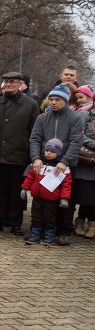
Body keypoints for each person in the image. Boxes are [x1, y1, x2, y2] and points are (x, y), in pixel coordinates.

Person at [0, 71, 39, 236]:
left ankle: (15, 222)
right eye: (5, 81)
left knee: (17, 191)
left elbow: (35, 130)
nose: (8, 84)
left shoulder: (30, 105)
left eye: (12, 81)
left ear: (20, 84)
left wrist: (28, 150)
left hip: (19, 155)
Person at [29, 85, 85, 245]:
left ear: (65, 101)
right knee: (43, 199)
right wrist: (35, 158)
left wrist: (64, 161)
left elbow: (76, 141)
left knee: (65, 198)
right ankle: (41, 229)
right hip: (44, 164)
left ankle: (64, 230)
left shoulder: (75, 118)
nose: (53, 102)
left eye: (57, 99)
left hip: (65, 166)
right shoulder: (42, 118)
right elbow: (34, 139)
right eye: (51, 99)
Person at [21, 139, 73, 246]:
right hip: (37, 198)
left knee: (49, 218)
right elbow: (30, 177)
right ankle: (35, 235)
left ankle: (49, 236)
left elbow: (66, 185)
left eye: (52, 151)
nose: (48, 153)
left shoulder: (62, 168)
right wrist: (24, 188)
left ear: (58, 153)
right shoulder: (39, 164)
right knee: (36, 217)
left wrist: (64, 198)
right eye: (47, 150)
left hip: (51, 200)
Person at [72, 86, 95, 238]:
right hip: (87, 163)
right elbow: (80, 135)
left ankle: (90, 224)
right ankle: (81, 222)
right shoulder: (84, 114)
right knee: (86, 197)